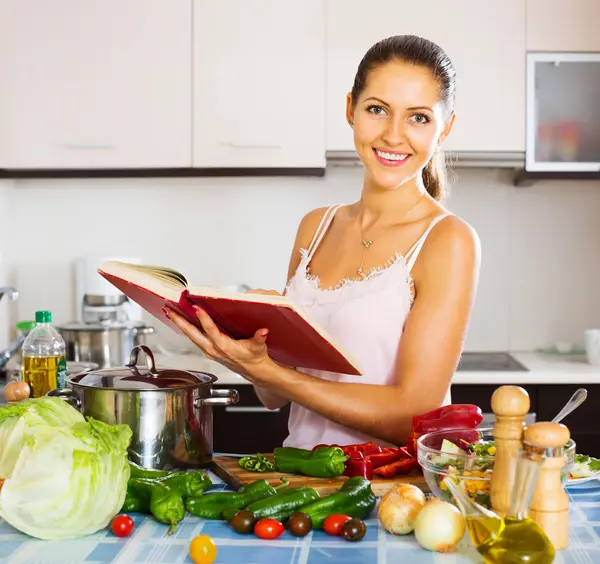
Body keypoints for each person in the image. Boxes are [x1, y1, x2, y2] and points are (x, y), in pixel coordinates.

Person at [165, 34, 481, 450]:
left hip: (392, 494)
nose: (393, 135)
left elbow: (414, 417)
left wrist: (273, 372)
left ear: (446, 128)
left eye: (418, 117)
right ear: (351, 109)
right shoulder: (315, 227)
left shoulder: (447, 240)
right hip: (303, 482)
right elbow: (275, 397)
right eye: (377, 110)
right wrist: (251, 354)